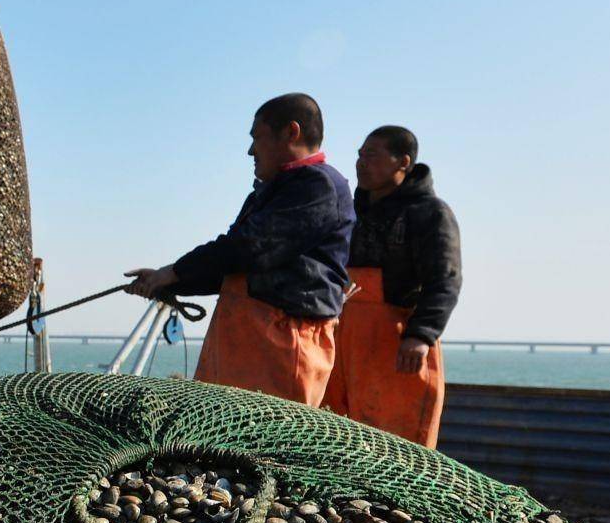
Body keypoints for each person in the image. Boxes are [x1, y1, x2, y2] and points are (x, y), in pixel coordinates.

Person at [126, 93, 354, 405]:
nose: (250, 151)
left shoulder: (318, 186)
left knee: (264, 449)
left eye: (257, 138)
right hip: (245, 340)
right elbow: (233, 267)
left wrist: (174, 272)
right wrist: (167, 281)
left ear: (291, 132)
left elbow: (249, 247)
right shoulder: (275, 190)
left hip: (280, 345)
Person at [323, 125, 461, 447]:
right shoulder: (349, 211)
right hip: (339, 339)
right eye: (359, 155)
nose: (361, 163)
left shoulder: (430, 213)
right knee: (335, 438)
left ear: (404, 162)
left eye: (371, 155)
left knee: (397, 445)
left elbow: (446, 278)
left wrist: (420, 334)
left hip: (397, 348)